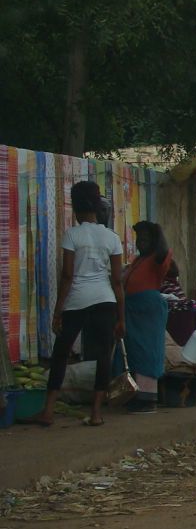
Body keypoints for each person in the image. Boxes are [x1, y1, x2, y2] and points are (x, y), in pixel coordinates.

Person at [26, 181, 124, 427]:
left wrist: (57, 311)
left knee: (60, 354)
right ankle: (96, 413)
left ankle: (48, 411)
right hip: (105, 300)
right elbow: (118, 281)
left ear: (76, 208)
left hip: (77, 300)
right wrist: (121, 318)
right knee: (103, 355)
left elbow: (68, 276)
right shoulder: (112, 238)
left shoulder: (72, 235)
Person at [116, 221, 176, 414]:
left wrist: (158, 231)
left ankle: (148, 399)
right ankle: (137, 396)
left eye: (145, 239)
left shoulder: (157, 258)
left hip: (147, 310)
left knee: (146, 352)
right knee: (134, 352)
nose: (140, 243)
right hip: (133, 310)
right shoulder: (138, 260)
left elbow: (165, 254)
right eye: (138, 239)